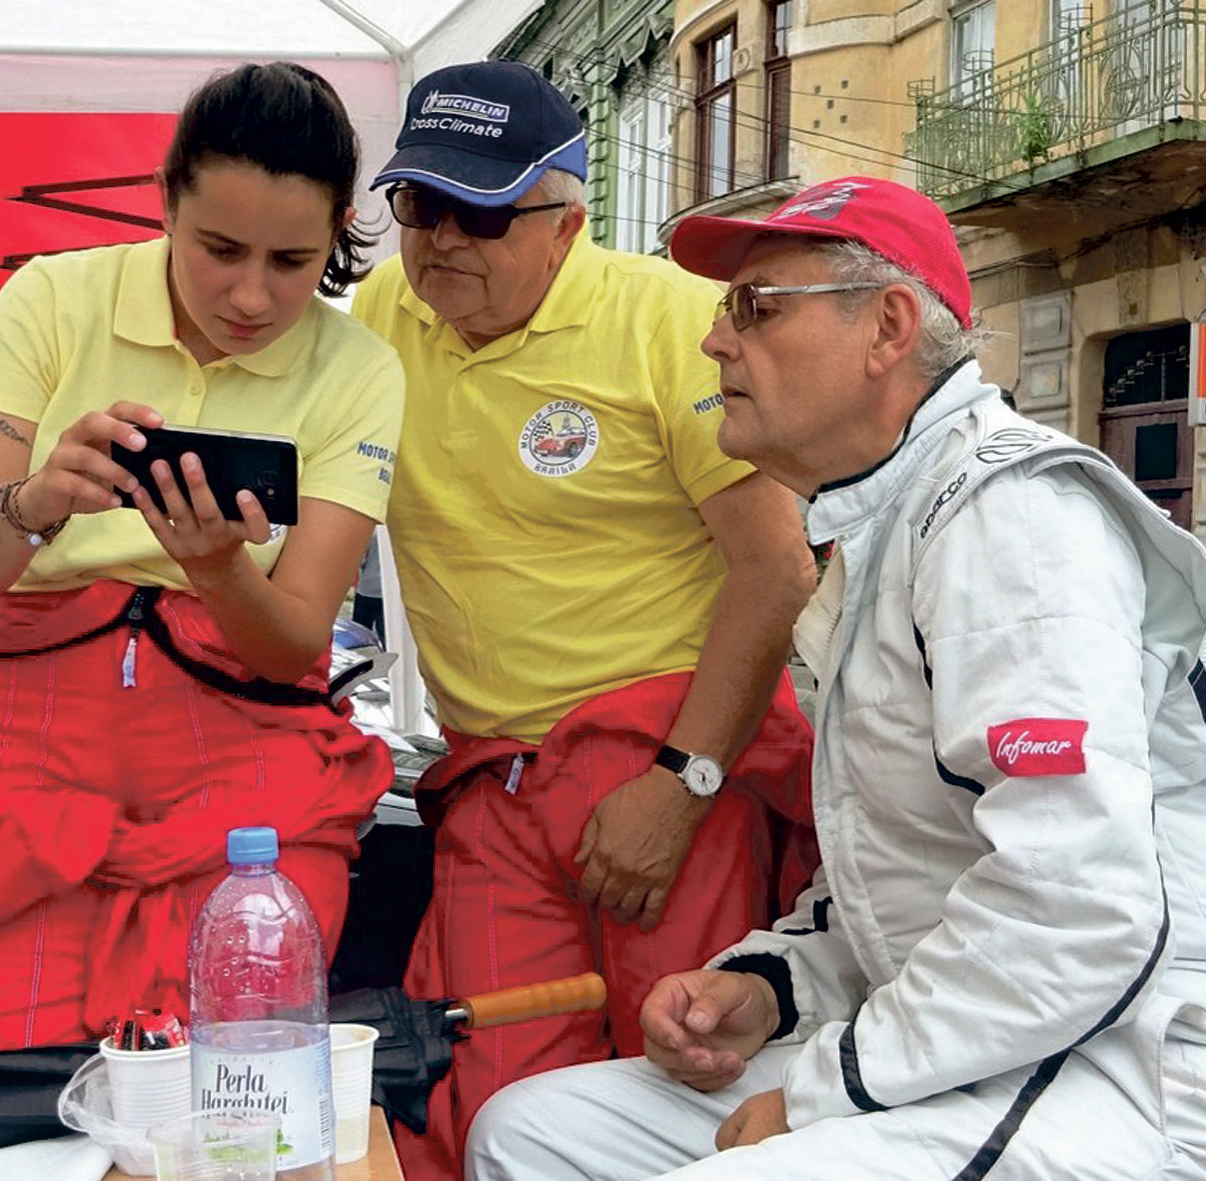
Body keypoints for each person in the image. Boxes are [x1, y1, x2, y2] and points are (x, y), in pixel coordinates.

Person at [467, 177, 1206, 1180]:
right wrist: (772, 985)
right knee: (529, 1129)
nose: (713, 340)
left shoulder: (1007, 510)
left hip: (1177, 1058)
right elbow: (920, 875)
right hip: (1020, 1029)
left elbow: (1074, 905)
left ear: (887, 326)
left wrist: (822, 1090)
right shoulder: (883, 523)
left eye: (753, 306)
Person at [351, 60, 818, 1181]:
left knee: (682, 1083)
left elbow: (774, 570)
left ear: (566, 221)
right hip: (491, 779)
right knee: (485, 1100)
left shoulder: (668, 321)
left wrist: (679, 785)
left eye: (480, 212)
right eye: (419, 203)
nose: (440, 239)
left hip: (664, 758)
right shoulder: (379, 316)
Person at [0, 63, 404, 1061]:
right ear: (165, 199)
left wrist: (219, 570)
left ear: (340, 231)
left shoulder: (357, 367)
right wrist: (36, 502)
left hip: (246, 748)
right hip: (24, 750)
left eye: (292, 260)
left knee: (238, 1086)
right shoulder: (52, 298)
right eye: (218, 248)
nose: (250, 295)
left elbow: (293, 642)